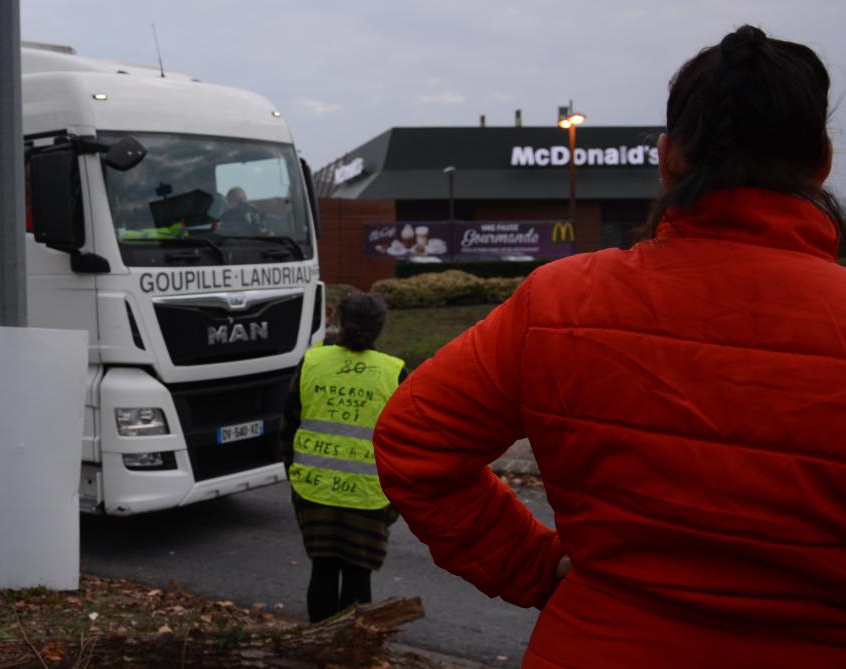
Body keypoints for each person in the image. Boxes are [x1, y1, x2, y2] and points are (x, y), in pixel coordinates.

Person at [372, 25, 846, 668]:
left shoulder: (561, 302)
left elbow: (413, 442)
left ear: (667, 157)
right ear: (820, 160)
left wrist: (535, 570)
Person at [280, 292, 406, 622]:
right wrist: (394, 503)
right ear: (379, 328)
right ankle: (351, 650)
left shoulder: (312, 363)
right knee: (357, 575)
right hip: (369, 498)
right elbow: (407, 445)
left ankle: (318, 647)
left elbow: (288, 428)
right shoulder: (394, 373)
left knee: (322, 569)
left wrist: (294, 479)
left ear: (339, 321)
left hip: (314, 491)